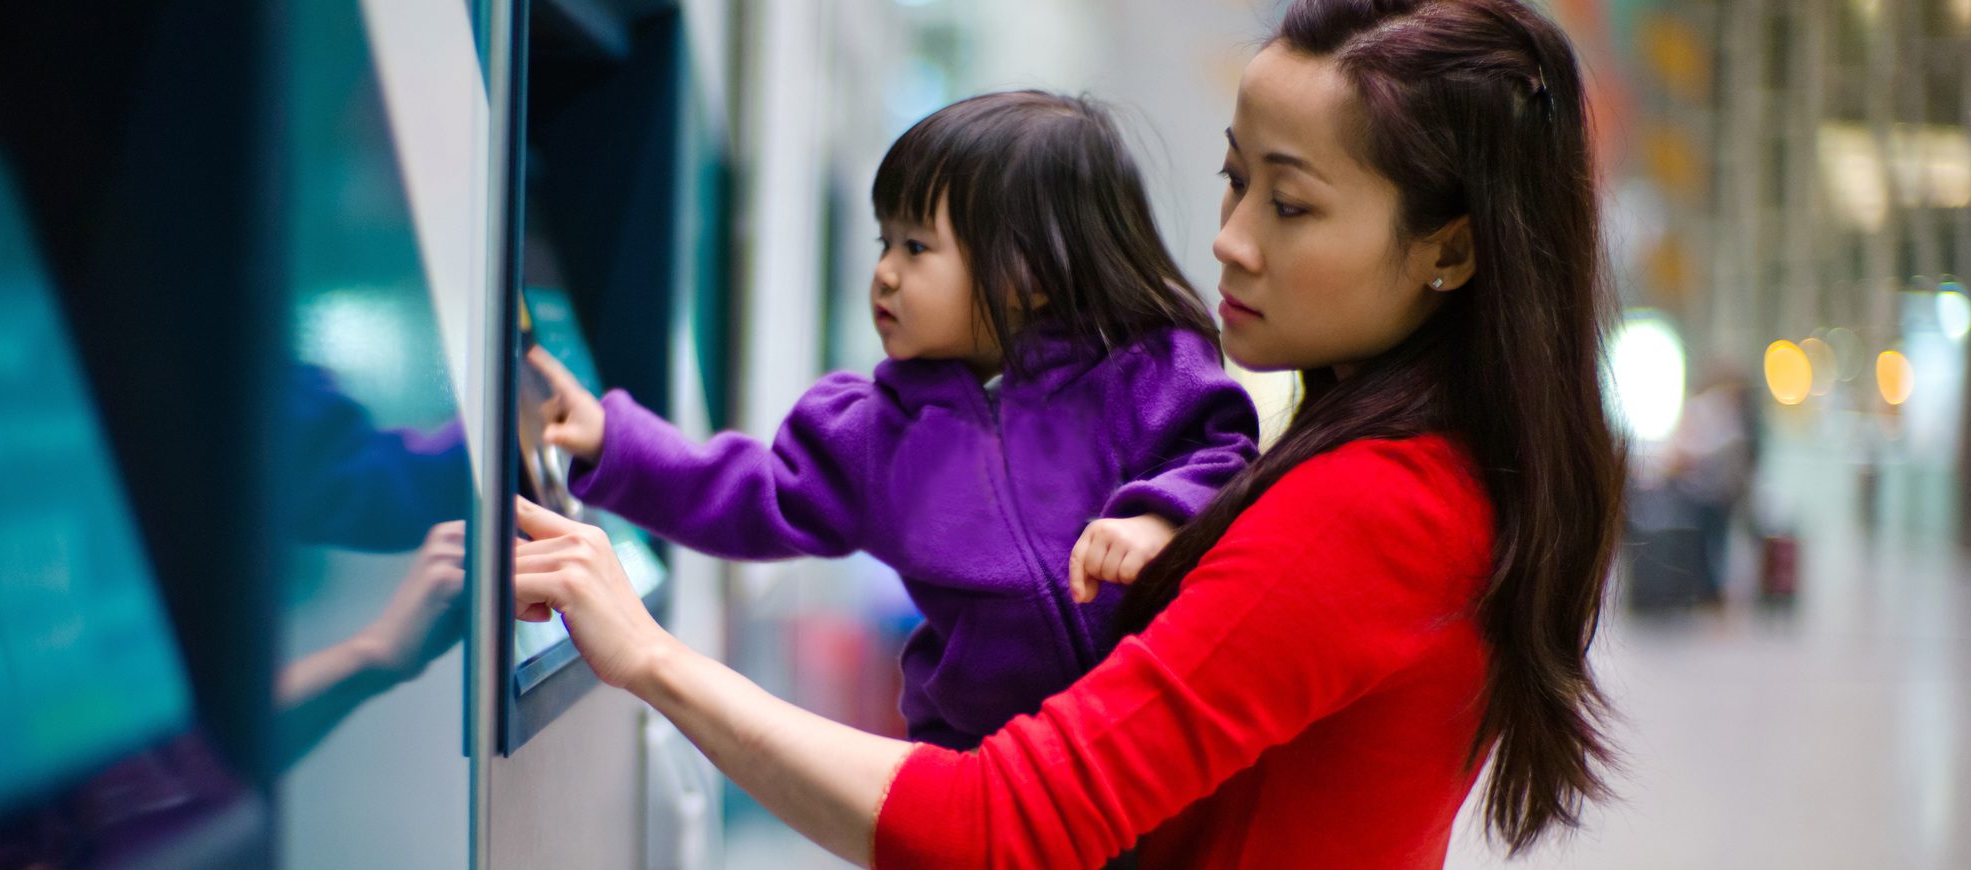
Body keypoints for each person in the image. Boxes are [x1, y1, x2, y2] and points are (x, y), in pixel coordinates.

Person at [513, 0, 1624, 866]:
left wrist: (652, 657)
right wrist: (616, 446)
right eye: (1234, 181)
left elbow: (1003, 829)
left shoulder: (1371, 506)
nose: (1228, 241)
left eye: (1288, 205)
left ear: (1449, 250)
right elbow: (767, 491)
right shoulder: (1409, 469)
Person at [527, 90, 1258, 749]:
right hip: (979, 764)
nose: (884, 271)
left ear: (1031, 273)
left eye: (915, 247)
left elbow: (1222, 458)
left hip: (1142, 748)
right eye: (884, 241)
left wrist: (1160, 520)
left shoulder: (1142, 372)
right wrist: (614, 442)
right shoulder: (878, 433)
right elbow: (756, 495)